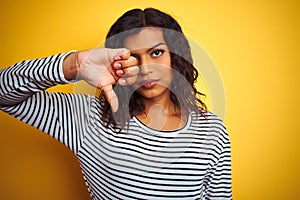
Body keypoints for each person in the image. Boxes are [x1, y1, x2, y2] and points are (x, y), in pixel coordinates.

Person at [0, 8, 232, 200]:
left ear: (175, 56)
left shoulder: (212, 132)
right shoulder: (87, 117)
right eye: (132, 57)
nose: (146, 68)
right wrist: (74, 65)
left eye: (157, 53)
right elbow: (4, 92)